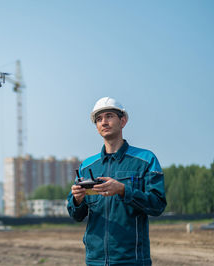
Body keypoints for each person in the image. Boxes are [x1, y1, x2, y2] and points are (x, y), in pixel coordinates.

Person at [67, 97, 167, 266]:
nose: (104, 122)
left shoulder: (145, 159)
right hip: (95, 261)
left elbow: (157, 205)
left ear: (123, 121)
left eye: (109, 116)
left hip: (132, 260)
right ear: (97, 127)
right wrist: (77, 200)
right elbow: (76, 215)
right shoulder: (87, 166)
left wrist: (123, 190)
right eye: (98, 119)